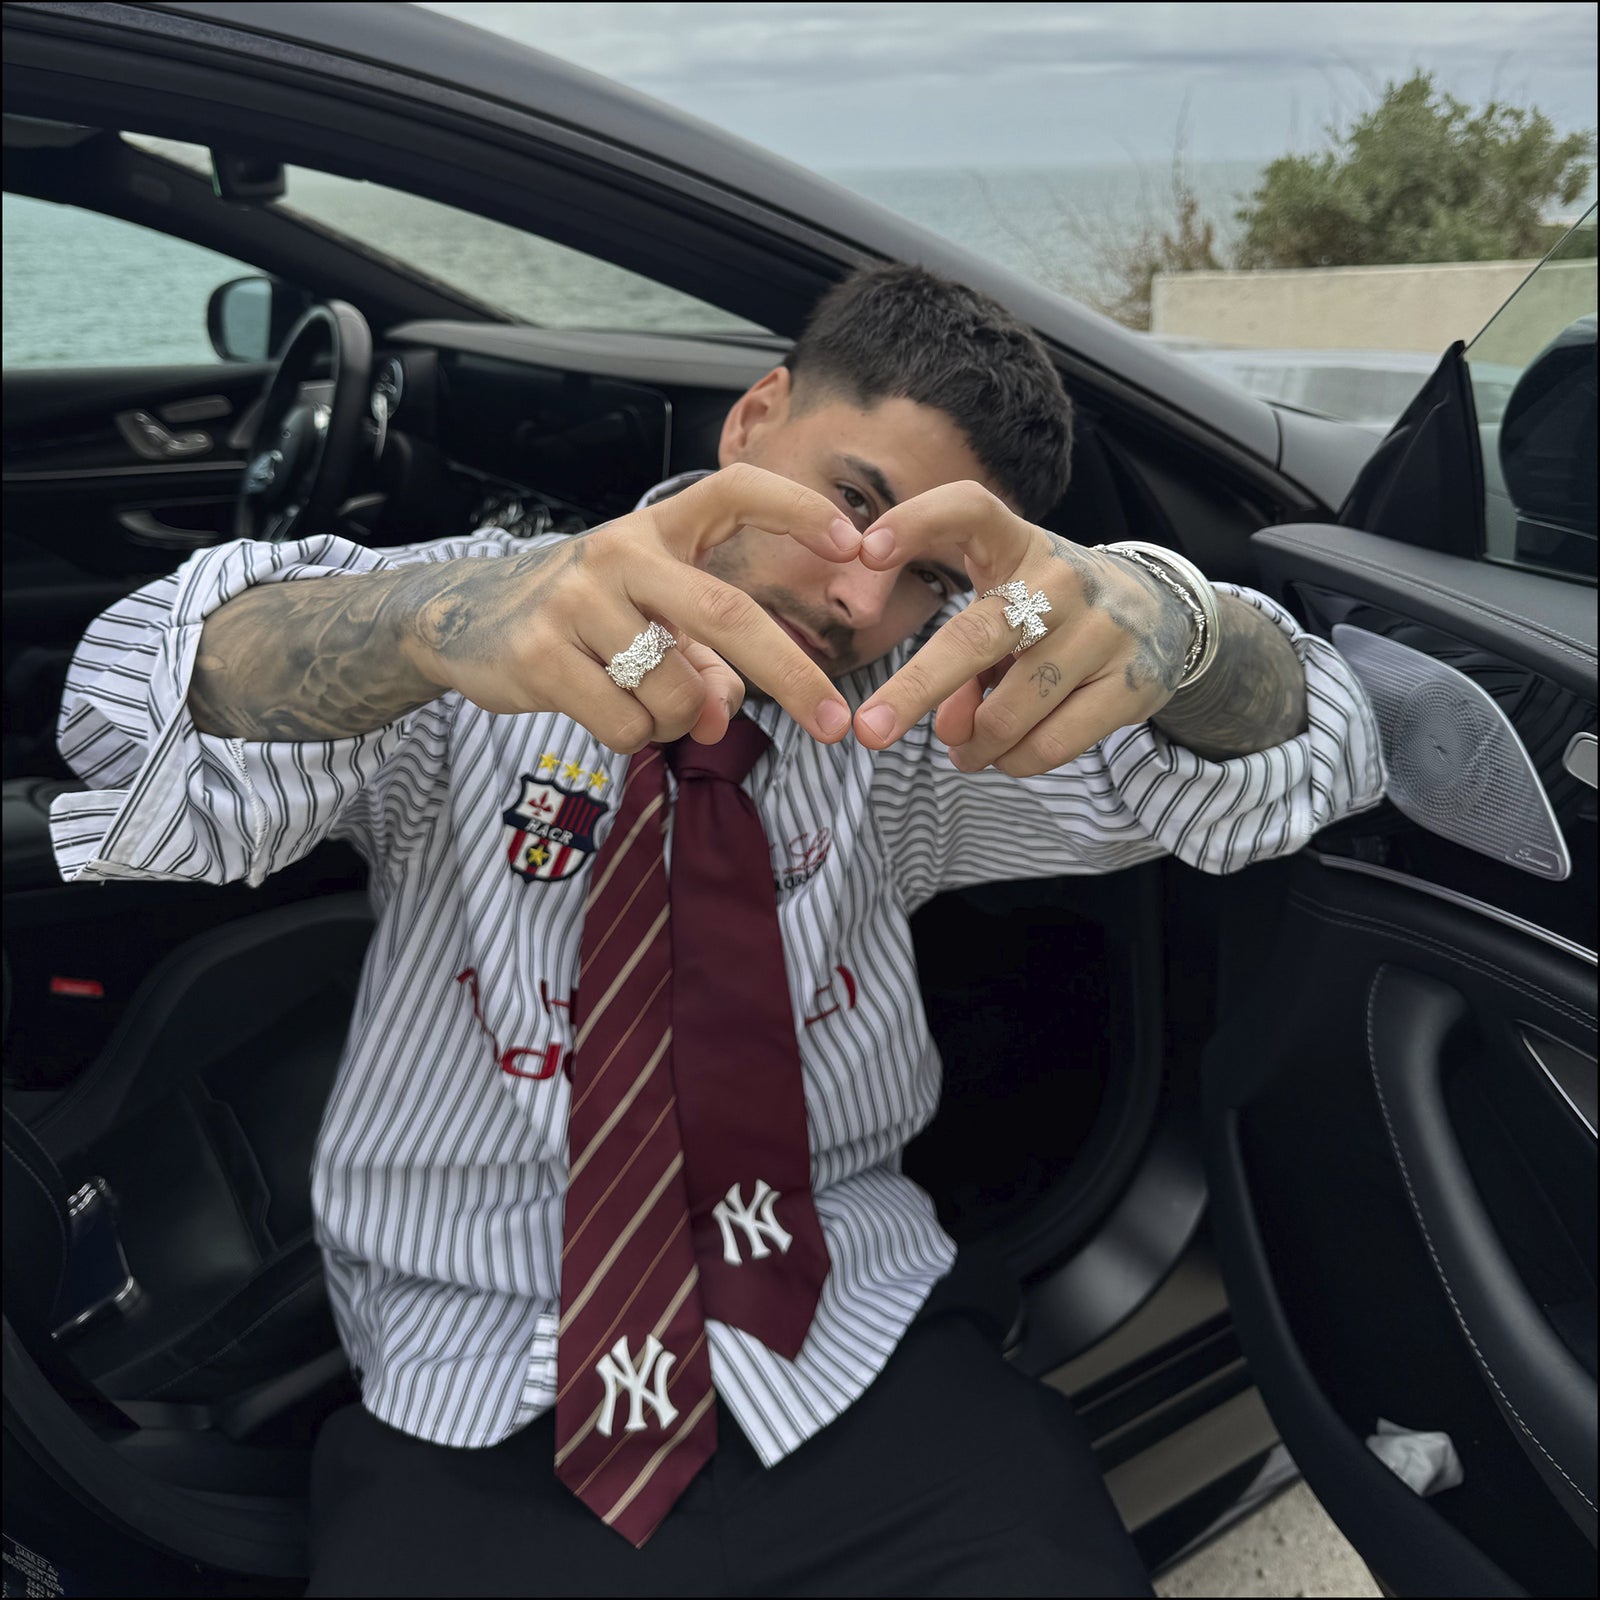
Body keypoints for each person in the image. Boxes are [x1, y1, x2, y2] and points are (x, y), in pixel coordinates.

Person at [51, 264, 1381, 1596]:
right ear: (755, 419)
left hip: (853, 1338)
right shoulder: (494, 623)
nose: (863, 602)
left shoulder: (924, 719)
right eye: (852, 506)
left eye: (927, 574)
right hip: (471, 1377)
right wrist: (426, 622)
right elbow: (130, 704)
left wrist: (1177, 621)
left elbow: (1308, 756)